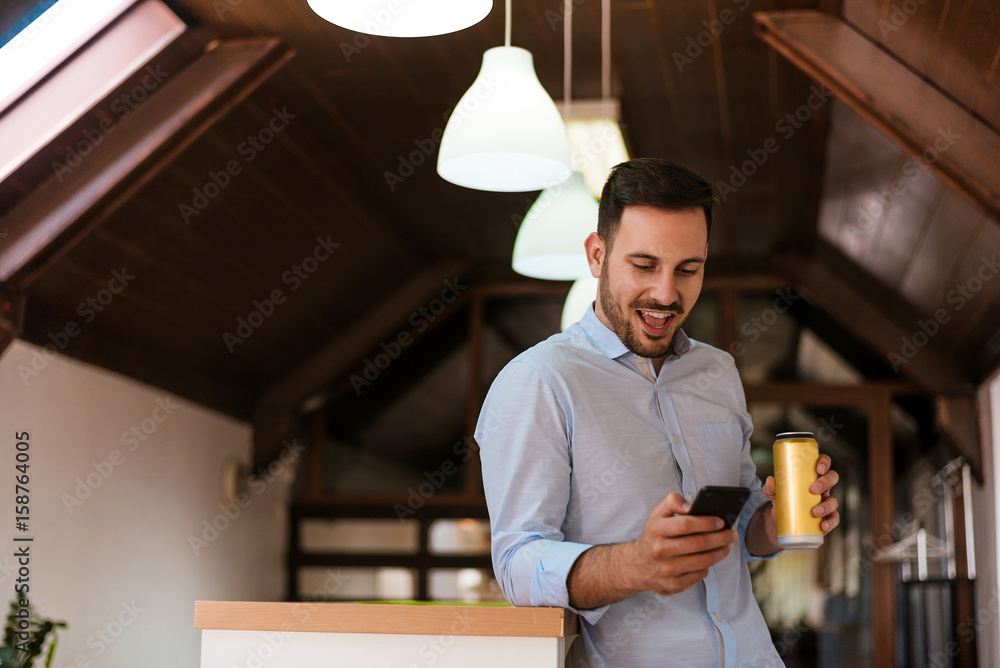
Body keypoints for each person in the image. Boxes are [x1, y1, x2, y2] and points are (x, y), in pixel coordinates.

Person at [476, 158, 840, 667]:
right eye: (644, 266)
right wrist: (636, 564)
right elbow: (517, 565)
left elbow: (742, 533)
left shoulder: (718, 372)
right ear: (597, 254)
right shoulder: (538, 382)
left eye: (688, 269)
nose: (667, 294)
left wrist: (776, 523)